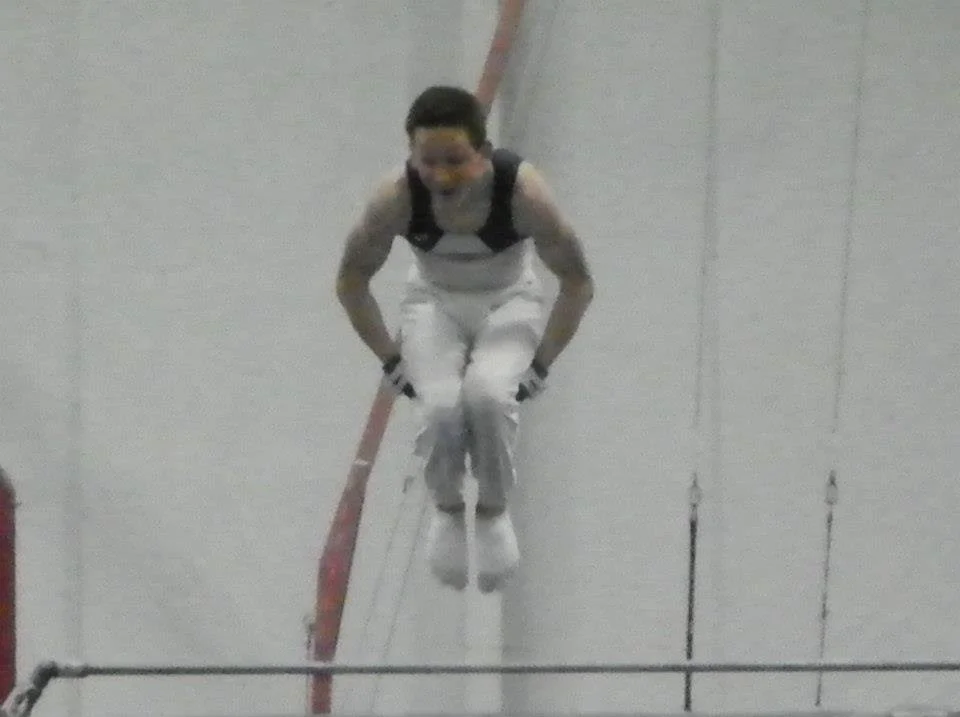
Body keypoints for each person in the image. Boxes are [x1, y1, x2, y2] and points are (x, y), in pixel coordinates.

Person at [336, 85, 593, 593]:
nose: (439, 176)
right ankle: (449, 511)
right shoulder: (396, 197)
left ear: (483, 151)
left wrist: (543, 362)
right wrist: (389, 357)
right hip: (433, 303)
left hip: (508, 302)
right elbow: (350, 282)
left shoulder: (523, 194)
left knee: (489, 397)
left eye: (454, 160)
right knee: (438, 406)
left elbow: (578, 283)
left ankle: (494, 512)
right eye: (426, 161)